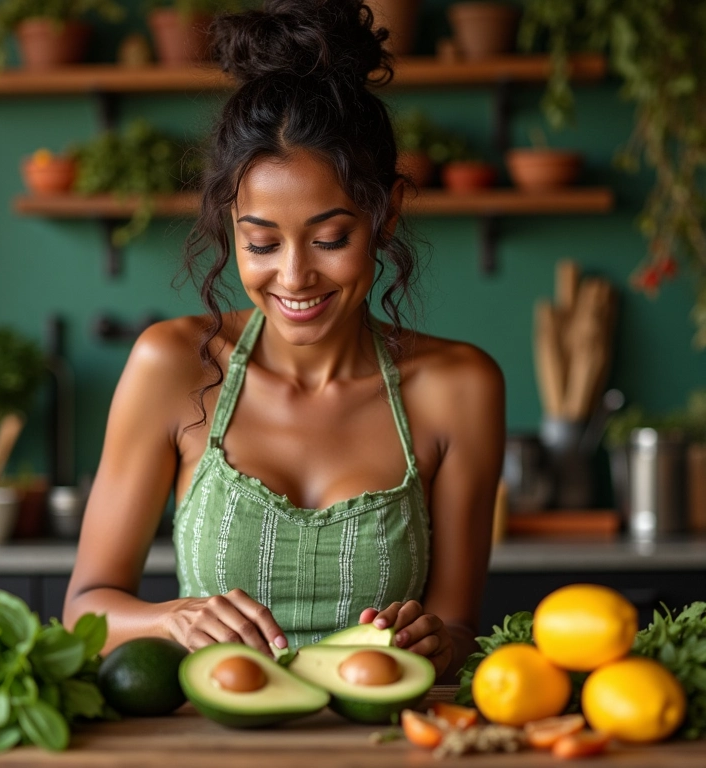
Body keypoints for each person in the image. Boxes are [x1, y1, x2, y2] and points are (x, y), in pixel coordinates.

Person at [63, 0, 505, 682]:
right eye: (261, 242)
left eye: (331, 239)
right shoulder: (171, 365)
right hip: (211, 741)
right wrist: (170, 618)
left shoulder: (461, 386)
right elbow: (84, 611)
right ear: (228, 226)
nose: (294, 276)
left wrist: (436, 640)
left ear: (386, 217)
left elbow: (458, 627)